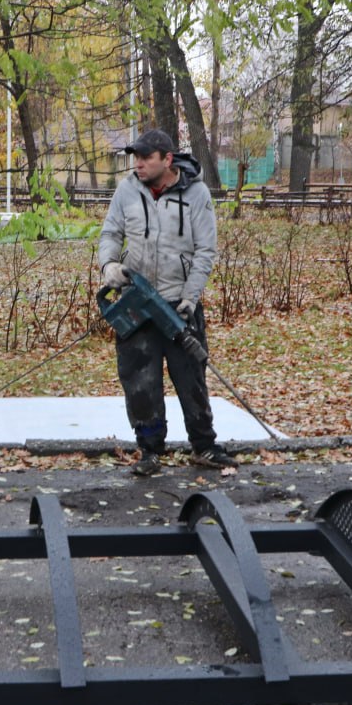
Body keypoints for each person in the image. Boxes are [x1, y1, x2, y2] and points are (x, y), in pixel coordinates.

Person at [98, 128, 238, 477]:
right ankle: (149, 450)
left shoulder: (196, 194)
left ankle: (204, 446)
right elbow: (111, 232)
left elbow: (206, 251)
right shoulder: (127, 189)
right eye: (137, 157)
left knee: (191, 378)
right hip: (137, 302)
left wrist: (191, 298)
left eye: (147, 157)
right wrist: (109, 265)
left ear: (167, 160)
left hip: (178, 304)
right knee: (139, 383)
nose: (139, 164)